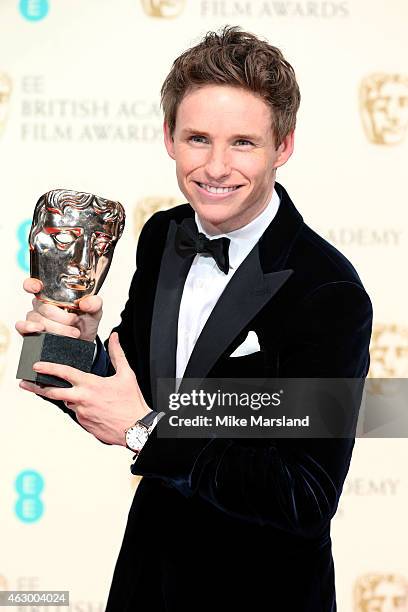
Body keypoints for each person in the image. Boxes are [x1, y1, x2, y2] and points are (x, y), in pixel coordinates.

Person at [16, 26, 373, 612]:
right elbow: (133, 394)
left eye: (243, 143)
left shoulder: (326, 290)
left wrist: (146, 433)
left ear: (283, 146)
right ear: (168, 137)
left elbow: (306, 496)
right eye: (198, 138)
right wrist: (67, 342)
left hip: (261, 590)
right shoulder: (164, 235)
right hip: (149, 574)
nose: (215, 167)